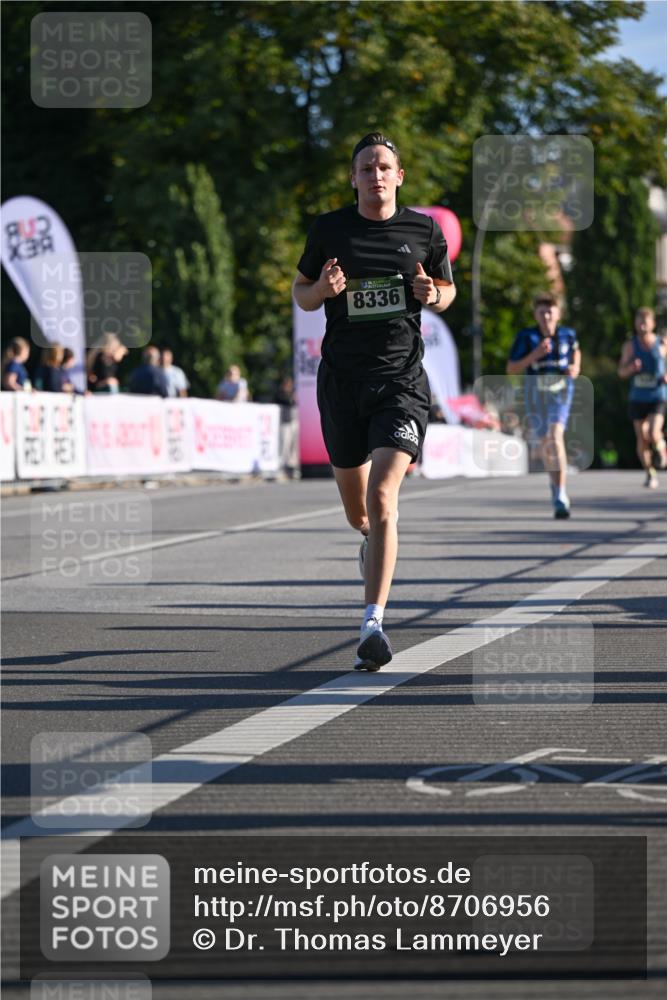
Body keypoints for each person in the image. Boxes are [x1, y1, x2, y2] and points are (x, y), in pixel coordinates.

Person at [292, 130, 455, 670]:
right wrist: (324, 292)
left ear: (399, 176)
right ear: (354, 178)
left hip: (402, 382)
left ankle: (372, 624)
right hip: (341, 382)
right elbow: (301, 291)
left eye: (384, 167)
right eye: (366, 168)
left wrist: (434, 293)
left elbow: (448, 290)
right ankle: (367, 537)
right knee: (358, 510)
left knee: (386, 497)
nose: (376, 175)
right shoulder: (330, 229)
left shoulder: (424, 229)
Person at [507, 293, 581, 519]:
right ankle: (555, 484)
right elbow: (512, 368)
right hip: (535, 396)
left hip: (560, 394)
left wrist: (575, 368)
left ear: (559, 314)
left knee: (554, 435)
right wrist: (535, 355)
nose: (547, 315)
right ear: (535, 315)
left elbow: (576, 352)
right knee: (546, 445)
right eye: (542, 311)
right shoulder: (526, 337)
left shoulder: (568, 335)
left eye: (550, 311)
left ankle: (561, 494)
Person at [617, 306, 667, 488]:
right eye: (639, 320)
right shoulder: (630, 346)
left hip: (658, 395)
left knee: (654, 432)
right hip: (638, 397)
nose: (643, 324)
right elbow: (621, 372)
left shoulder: (662, 343)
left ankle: (661, 449)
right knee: (642, 438)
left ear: (653, 323)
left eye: (646, 321)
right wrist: (630, 368)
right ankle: (650, 473)